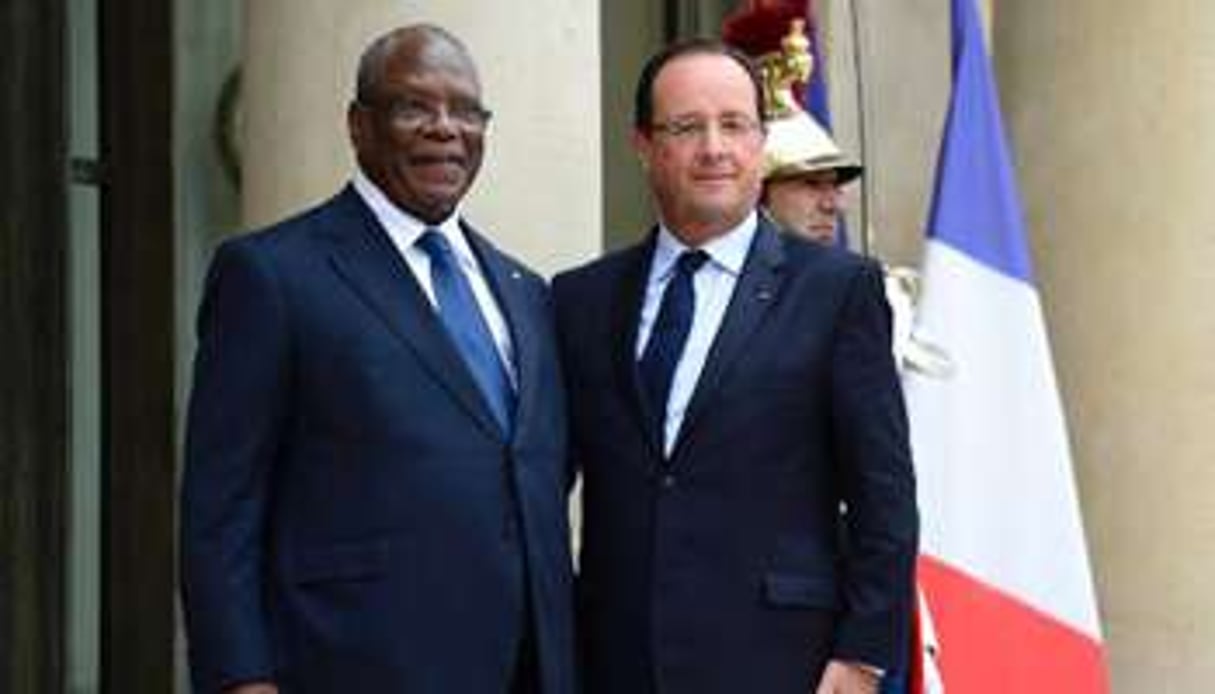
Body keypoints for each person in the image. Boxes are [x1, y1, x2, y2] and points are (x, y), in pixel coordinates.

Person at [180, 24, 575, 694]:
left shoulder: (525, 292)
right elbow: (221, 508)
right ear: (359, 125)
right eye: (414, 107)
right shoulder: (274, 276)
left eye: (465, 111)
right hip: (352, 663)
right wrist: (240, 676)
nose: (444, 129)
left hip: (527, 668)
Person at [553, 38, 918, 694]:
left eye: (733, 125)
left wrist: (863, 654)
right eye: (686, 127)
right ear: (643, 146)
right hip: (615, 661)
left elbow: (882, 495)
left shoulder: (837, 292)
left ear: (760, 142)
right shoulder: (580, 299)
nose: (713, 147)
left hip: (786, 664)